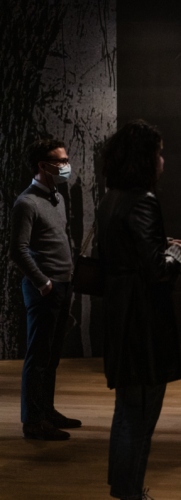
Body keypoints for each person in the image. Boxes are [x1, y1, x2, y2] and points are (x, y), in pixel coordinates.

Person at [97, 120, 181, 500]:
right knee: (141, 414)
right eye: (159, 153)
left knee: (126, 410)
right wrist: (176, 253)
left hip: (120, 314)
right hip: (143, 322)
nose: (163, 160)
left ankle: (123, 487)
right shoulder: (144, 200)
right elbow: (156, 269)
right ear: (144, 158)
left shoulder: (111, 198)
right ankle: (131, 491)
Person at [10, 138, 79, 441]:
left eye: (66, 160)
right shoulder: (26, 203)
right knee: (38, 357)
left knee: (51, 357)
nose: (66, 166)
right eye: (60, 161)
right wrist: (43, 282)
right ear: (42, 165)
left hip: (63, 285)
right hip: (45, 290)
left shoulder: (57, 198)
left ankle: (46, 411)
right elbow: (18, 250)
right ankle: (33, 421)